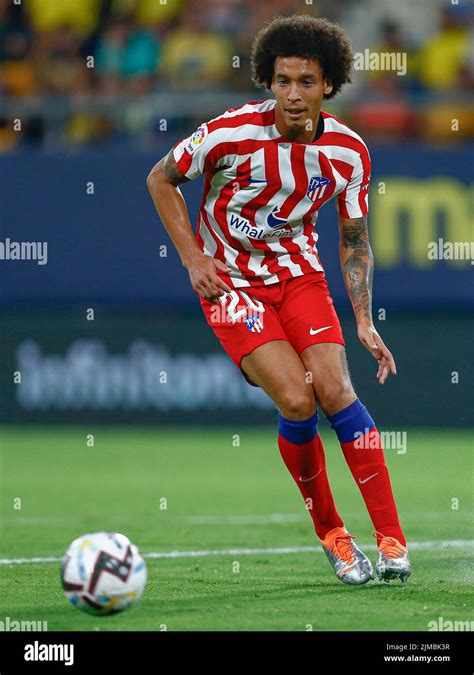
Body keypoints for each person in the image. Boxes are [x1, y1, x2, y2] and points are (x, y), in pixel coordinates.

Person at [147, 15, 411, 585]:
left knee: (337, 389)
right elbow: (160, 179)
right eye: (283, 80)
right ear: (267, 80)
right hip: (232, 284)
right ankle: (335, 537)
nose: (294, 94)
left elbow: (355, 241)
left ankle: (391, 540)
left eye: (307, 82)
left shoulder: (348, 152)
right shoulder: (227, 132)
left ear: (329, 86)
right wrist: (194, 259)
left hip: (298, 278)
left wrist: (364, 319)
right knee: (296, 401)